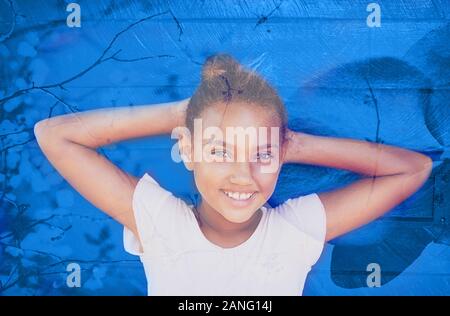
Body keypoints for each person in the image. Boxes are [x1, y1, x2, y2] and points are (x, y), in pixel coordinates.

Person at [34, 54, 432, 295]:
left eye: (262, 155)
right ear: (187, 150)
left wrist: (293, 143)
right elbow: (54, 136)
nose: (243, 176)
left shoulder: (297, 230)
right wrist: (185, 113)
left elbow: (414, 168)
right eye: (220, 152)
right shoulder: (160, 224)